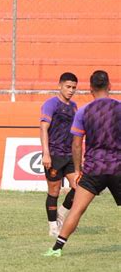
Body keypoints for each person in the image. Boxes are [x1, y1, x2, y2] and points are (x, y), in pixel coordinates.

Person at [44, 70, 120, 257]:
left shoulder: (84, 111)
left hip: (94, 169)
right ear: (110, 86)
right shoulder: (119, 108)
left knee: (76, 210)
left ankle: (56, 249)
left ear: (91, 89)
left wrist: (78, 170)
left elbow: (76, 144)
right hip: (117, 166)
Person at [40, 72, 78, 237]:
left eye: (74, 88)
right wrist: (46, 153)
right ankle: (53, 227)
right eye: (68, 87)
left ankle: (62, 212)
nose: (71, 90)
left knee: (80, 186)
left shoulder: (74, 106)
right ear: (59, 86)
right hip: (54, 154)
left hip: (70, 154)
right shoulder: (50, 104)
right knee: (53, 190)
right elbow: (43, 128)